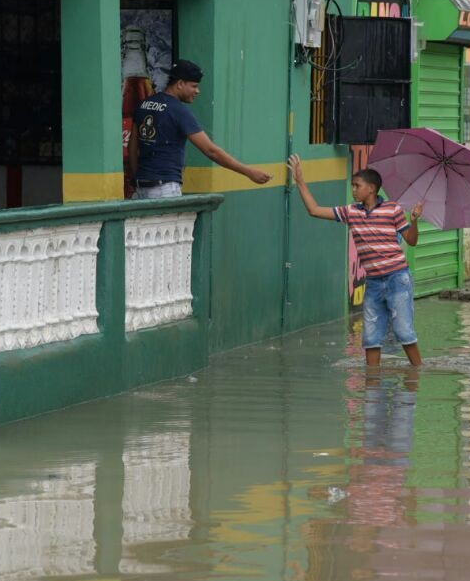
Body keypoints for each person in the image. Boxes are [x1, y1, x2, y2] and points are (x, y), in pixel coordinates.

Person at [288, 154, 423, 368]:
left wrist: (414, 221)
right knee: (370, 338)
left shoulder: (393, 210)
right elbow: (314, 210)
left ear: (371, 188)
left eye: (356, 186)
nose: (353, 190)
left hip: (398, 279)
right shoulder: (351, 212)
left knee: (403, 332)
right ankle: (372, 385)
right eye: (352, 186)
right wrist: (300, 181)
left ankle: (417, 374)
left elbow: (412, 241)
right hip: (374, 283)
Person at [127, 59, 271, 198]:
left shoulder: (145, 104)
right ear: (180, 84)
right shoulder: (179, 111)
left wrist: (137, 177)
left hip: (142, 186)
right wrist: (248, 171)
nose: (197, 91)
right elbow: (211, 151)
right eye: (194, 86)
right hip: (165, 188)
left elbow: (132, 147)